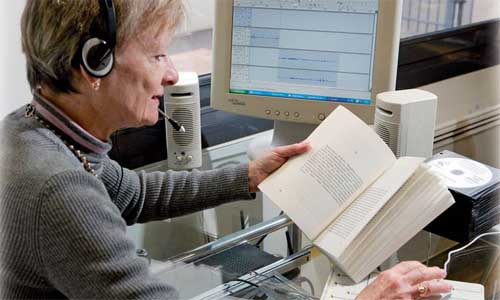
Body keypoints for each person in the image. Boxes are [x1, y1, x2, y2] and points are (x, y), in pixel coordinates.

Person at [0, 0, 451, 298]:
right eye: (158, 55)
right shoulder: (58, 188)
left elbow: (133, 194)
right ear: (92, 64)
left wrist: (247, 176)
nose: (172, 74)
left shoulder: (32, 129)